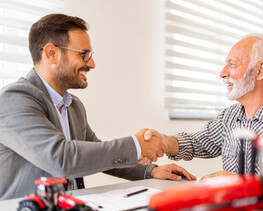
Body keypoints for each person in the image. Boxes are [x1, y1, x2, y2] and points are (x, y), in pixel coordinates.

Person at [0, 14, 195, 200]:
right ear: (52, 53)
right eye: (84, 54)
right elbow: (61, 158)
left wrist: (151, 171)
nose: (91, 63)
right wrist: (135, 145)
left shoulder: (73, 105)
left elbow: (97, 154)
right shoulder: (15, 99)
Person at [145, 33, 263, 179]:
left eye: (232, 64)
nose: (222, 73)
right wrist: (164, 142)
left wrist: (239, 182)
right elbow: (197, 142)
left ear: (260, 71)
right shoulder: (230, 116)